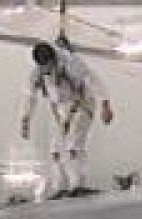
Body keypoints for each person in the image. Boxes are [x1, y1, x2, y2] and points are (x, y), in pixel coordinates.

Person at [19, 39, 114, 199]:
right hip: (59, 111)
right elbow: (29, 97)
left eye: (47, 65)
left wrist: (105, 105)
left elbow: (94, 80)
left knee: (73, 145)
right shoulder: (37, 73)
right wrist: (25, 119)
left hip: (81, 104)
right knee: (55, 150)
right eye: (42, 67)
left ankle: (77, 184)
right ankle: (61, 186)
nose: (45, 70)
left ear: (53, 59)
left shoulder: (71, 64)